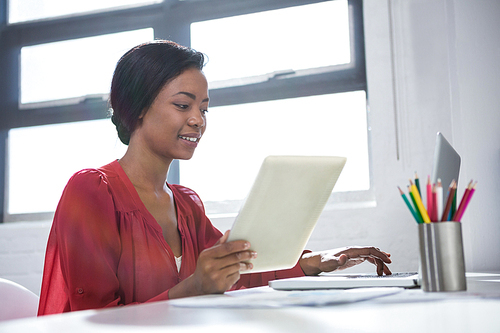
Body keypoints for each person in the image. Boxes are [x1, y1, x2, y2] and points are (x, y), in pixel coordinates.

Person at [37, 40, 392, 315]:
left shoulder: (187, 205)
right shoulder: (91, 191)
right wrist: (196, 286)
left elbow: (237, 276)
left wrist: (316, 262)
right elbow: (94, 323)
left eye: (204, 108)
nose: (198, 120)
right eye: (183, 105)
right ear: (139, 105)